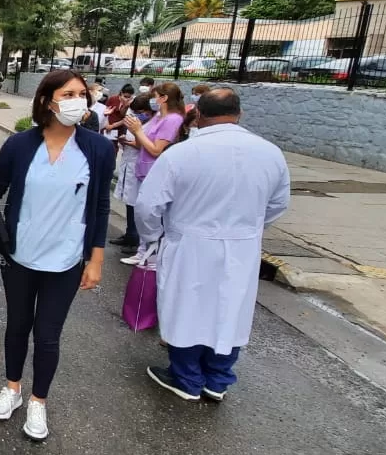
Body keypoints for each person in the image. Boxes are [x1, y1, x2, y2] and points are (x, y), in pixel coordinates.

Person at [137, 88, 291, 402]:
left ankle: (187, 377)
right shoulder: (270, 153)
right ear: (240, 114)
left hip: (189, 243)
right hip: (241, 247)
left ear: (199, 116)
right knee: (230, 310)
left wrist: (153, 236)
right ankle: (218, 379)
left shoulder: (182, 154)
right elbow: (278, 204)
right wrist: (248, 228)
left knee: (187, 308)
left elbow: (148, 206)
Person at [0, 69, 112, 441]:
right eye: (68, 93)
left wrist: (96, 258)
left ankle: (38, 401)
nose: (78, 100)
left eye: (81, 94)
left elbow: (101, 205)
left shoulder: (99, 148)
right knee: (17, 327)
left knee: (47, 335)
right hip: (20, 256)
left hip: (66, 260)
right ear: (47, 100)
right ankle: (12, 389)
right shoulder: (20, 145)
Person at [120, 82, 187, 266]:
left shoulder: (173, 120)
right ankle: (144, 250)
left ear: (164, 98)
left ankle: (153, 253)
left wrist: (137, 131)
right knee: (143, 213)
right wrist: (135, 134)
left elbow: (157, 150)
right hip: (143, 171)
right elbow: (143, 142)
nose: (152, 101)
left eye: (155, 96)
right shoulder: (158, 116)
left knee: (154, 215)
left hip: (156, 172)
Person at [110, 94, 153, 250]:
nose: (137, 115)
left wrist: (129, 141)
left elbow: (145, 145)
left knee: (135, 204)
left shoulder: (151, 125)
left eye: (141, 112)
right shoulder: (138, 122)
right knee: (128, 202)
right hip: (129, 163)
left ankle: (135, 238)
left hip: (139, 168)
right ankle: (129, 234)